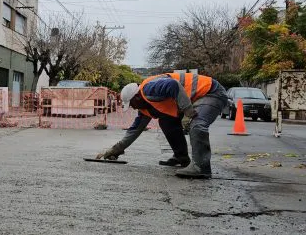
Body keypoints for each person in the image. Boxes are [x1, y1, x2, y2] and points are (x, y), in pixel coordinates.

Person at [97, 72, 227, 179]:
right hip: (196, 98)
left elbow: (173, 84)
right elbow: (135, 129)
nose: (132, 107)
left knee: (197, 125)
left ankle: (201, 167)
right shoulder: (145, 106)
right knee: (166, 121)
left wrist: (188, 111)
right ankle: (181, 156)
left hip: (210, 92)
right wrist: (117, 149)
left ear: (136, 97)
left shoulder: (148, 89)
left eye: (131, 104)